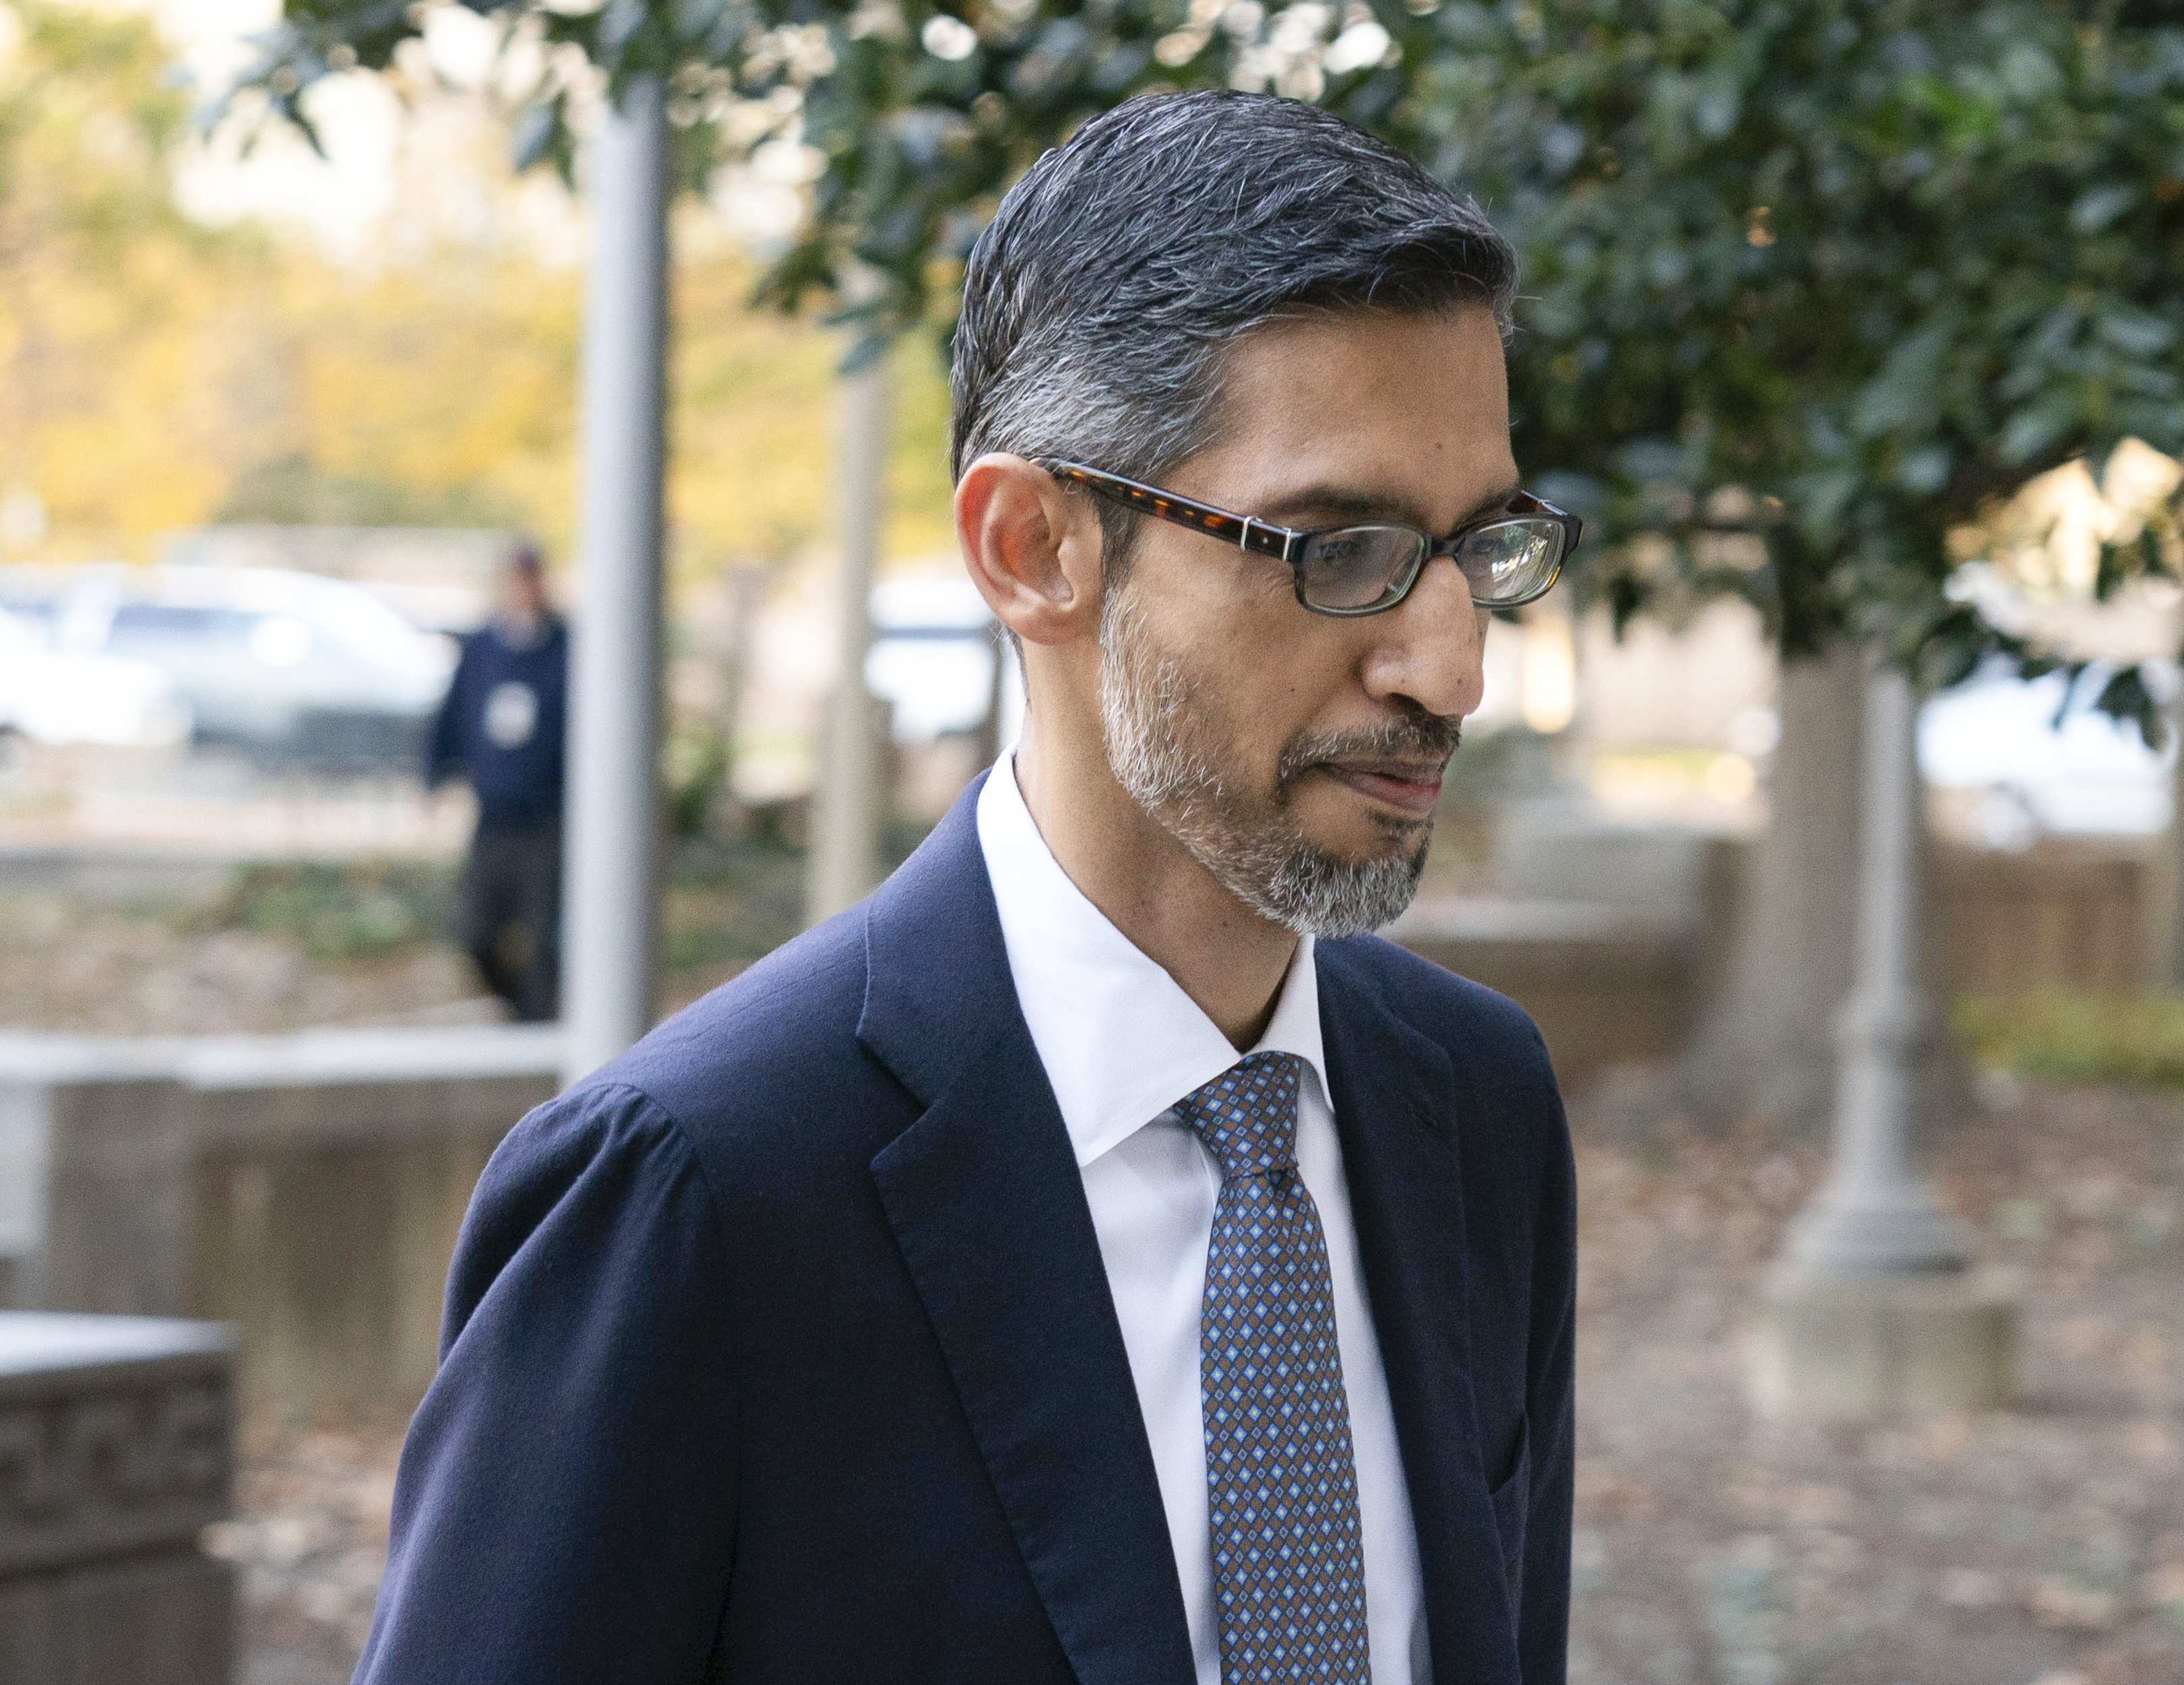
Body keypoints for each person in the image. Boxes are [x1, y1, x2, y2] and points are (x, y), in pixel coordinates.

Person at [356, 90, 1577, 1685]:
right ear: (1032, 548)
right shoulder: (699, 1187)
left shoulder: (1474, 1108)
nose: (1452, 663)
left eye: (1480, 548)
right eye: (1337, 549)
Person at [425, 542, 568, 1021]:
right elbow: (453, 714)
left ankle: (541, 1022)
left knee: (544, 930)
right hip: (494, 813)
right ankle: (520, 1012)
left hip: (547, 815)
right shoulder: (483, 647)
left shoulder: (567, 647)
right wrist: (436, 775)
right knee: (476, 930)